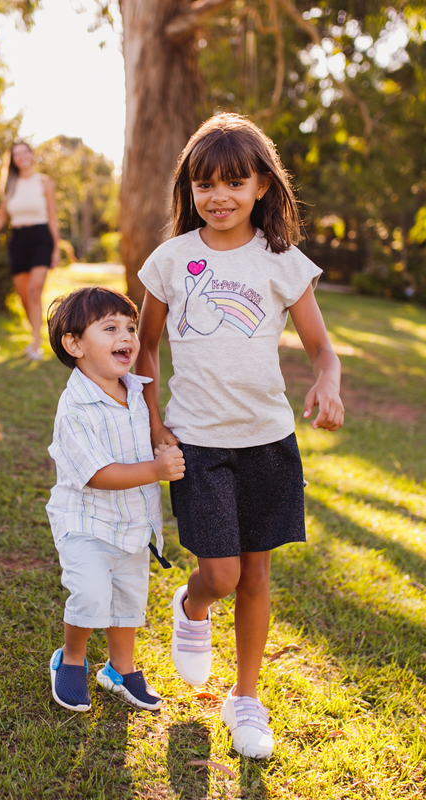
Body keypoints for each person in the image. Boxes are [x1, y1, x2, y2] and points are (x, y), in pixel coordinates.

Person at [135, 113, 345, 758]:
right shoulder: (170, 260)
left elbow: (321, 349)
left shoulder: (283, 261)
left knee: (255, 572)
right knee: (220, 573)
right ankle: (192, 608)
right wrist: (154, 427)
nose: (218, 196)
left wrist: (327, 383)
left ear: (262, 187)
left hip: (267, 440)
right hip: (196, 441)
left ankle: (246, 697)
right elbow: (143, 351)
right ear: (188, 191)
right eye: (204, 184)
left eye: (234, 182)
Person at [44, 286, 186, 713]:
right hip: (86, 523)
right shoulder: (75, 409)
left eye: (130, 327)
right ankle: (71, 659)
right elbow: (98, 474)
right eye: (109, 328)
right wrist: (156, 471)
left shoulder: (136, 389)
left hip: (133, 525)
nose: (125, 336)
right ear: (74, 345)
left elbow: (141, 432)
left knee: (128, 604)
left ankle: (120, 670)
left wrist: (159, 438)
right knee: (90, 595)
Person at [0, 141, 61, 360]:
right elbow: (1, 217)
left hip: (41, 237)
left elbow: (52, 216)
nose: (21, 156)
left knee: (35, 289)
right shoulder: (9, 185)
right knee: (24, 295)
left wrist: (56, 247)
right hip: (19, 239)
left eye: (24, 152)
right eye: (16, 154)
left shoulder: (44, 182)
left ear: (31, 155)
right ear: (12, 160)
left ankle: (36, 342)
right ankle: (34, 334)